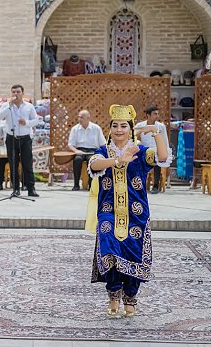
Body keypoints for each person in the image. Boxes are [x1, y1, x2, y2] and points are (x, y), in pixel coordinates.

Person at [88, 105, 169, 318]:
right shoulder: (103, 151)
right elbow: (95, 166)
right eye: (115, 125)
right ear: (110, 129)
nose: (119, 129)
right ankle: (114, 294)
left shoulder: (140, 151)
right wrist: (117, 161)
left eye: (124, 126)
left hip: (136, 213)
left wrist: (156, 132)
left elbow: (162, 156)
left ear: (131, 128)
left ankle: (130, 297)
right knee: (109, 245)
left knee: (132, 251)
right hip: (108, 211)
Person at [0, 84, 40, 197]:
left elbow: (36, 121)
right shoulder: (6, 105)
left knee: (27, 164)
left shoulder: (29, 106)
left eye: (18, 92)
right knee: (13, 164)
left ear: (23, 93)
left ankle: (31, 188)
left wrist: (27, 123)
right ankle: (16, 189)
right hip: (11, 138)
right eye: (13, 92)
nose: (15, 94)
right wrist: (8, 105)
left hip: (25, 138)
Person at [135, 106, 170, 194]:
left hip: (157, 150)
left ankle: (155, 186)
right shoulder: (141, 125)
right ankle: (140, 185)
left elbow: (165, 140)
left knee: (157, 160)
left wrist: (166, 151)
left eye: (158, 114)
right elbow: (132, 135)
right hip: (144, 149)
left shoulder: (161, 126)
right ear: (148, 115)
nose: (157, 116)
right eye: (155, 114)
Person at [67, 110, 106, 191]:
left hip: (93, 151)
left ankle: (91, 185)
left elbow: (103, 144)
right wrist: (76, 151)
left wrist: (102, 153)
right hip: (80, 150)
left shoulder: (96, 128)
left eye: (81, 117)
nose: (79, 119)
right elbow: (70, 144)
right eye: (78, 117)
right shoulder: (75, 129)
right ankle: (76, 185)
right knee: (77, 160)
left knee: (91, 160)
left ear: (88, 118)